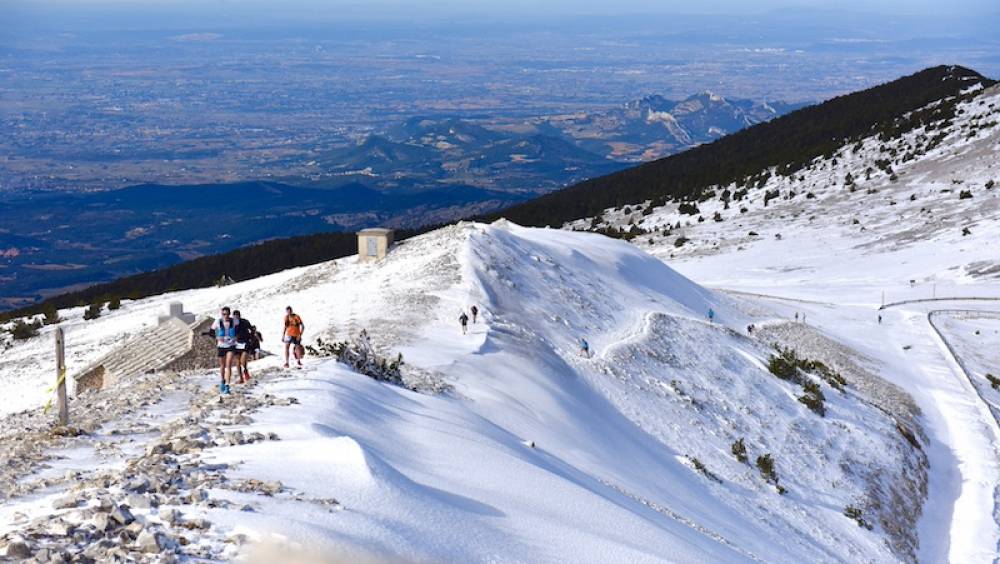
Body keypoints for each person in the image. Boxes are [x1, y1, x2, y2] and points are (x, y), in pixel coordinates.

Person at [211, 306, 239, 394]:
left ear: (229, 314)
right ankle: (222, 381)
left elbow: (239, 328)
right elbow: (211, 332)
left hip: (231, 345)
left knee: (229, 364)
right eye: (223, 314)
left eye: (226, 314)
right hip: (221, 345)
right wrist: (217, 338)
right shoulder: (218, 321)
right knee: (222, 365)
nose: (225, 316)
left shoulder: (234, 321)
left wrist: (236, 337)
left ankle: (227, 385)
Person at [233, 310, 256, 383]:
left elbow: (252, 329)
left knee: (243, 361)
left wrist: (251, 339)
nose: (236, 317)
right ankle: (241, 378)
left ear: (239, 316)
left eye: (237, 315)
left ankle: (245, 371)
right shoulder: (231, 323)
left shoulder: (245, 321)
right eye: (235, 316)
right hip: (236, 343)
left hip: (245, 342)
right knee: (237, 362)